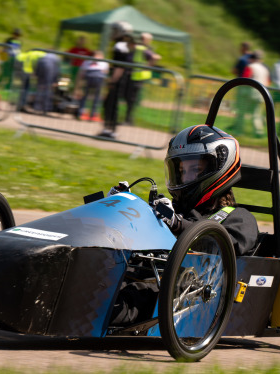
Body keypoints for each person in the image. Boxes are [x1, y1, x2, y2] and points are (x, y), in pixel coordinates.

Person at [109, 125, 259, 326]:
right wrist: (127, 205)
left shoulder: (240, 218)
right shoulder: (176, 208)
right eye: (181, 171)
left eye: (194, 170)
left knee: (121, 305)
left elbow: (222, 245)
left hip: (191, 288)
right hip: (146, 272)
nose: (186, 178)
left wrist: (178, 225)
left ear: (218, 168)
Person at [99, 22, 134, 138]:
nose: (112, 33)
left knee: (110, 104)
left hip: (118, 79)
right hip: (121, 79)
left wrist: (112, 81)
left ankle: (109, 130)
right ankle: (109, 129)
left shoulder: (119, 46)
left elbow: (119, 66)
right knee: (111, 104)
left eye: (114, 31)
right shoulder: (122, 45)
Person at [231, 50, 270, 137]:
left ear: (251, 58)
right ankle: (258, 132)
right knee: (256, 114)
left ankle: (239, 131)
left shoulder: (250, 67)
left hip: (247, 93)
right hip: (260, 94)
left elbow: (245, 79)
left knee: (241, 113)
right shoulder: (265, 69)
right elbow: (268, 82)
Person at [123, 35, 156, 126]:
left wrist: (147, 67)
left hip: (137, 78)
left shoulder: (141, 49)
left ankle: (129, 119)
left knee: (131, 99)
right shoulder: (134, 50)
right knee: (128, 98)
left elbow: (154, 57)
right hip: (132, 77)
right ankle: (128, 119)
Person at [75, 50, 109, 121]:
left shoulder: (103, 63)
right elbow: (81, 73)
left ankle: (92, 114)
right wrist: (79, 85)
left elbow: (105, 73)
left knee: (96, 98)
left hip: (97, 79)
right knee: (85, 96)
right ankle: (82, 113)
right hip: (90, 79)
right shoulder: (87, 62)